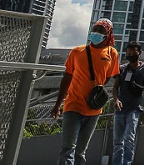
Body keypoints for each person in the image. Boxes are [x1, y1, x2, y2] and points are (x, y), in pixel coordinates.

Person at [51, 18, 119, 165]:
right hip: (73, 105)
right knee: (68, 148)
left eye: (102, 31)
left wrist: (94, 88)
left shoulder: (112, 53)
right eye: (95, 29)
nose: (97, 33)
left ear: (108, 34)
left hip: (93, 109)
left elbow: (107, 78)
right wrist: (57, 104)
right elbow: (67, 77)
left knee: (80, 152)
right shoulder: (77, 52)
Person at [111, 41, 144, 165]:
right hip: (120, 108)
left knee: (129, 137)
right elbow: (115, 87)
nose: (130, 55)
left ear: (139, 53)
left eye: (133, 53)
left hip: (135, 107)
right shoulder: (122, 69)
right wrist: (116, 99)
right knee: (117, 140)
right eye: (128, 53)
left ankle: (127, 163)